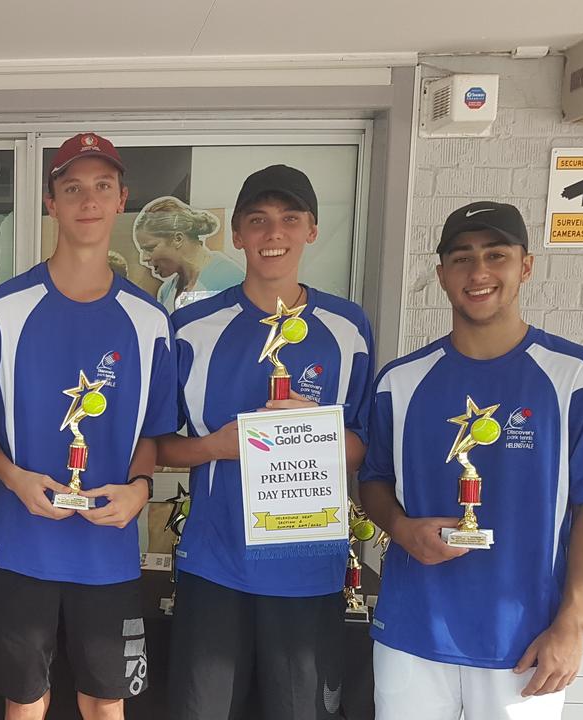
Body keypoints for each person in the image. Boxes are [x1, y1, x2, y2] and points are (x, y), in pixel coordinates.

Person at [359, 201, 583, 720]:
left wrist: (572, 624)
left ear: (525, 266)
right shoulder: (400, 381)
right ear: (441, 275)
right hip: (414, 631)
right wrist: (400, 527)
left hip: (524, 641)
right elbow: (373, 481)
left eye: (496, 255)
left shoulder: (579, 377)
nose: (479, 272)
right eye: (462, 258)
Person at [158, 165, 375, 720]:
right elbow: (156, 449)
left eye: (289, 219)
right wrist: (216, 446)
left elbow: (364, 450)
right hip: (216, 565)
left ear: (312, 230)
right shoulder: (193, 328)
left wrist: (312, 433)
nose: (273, 233)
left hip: (309, 569)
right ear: (236, 235)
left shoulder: (348, 328)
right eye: (258, 221)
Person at [0, 132, 178, 720]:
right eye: (72, 188)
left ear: (122, 200)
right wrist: (14, 480)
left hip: (107, 553)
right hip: (22, 548)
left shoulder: (150, 322)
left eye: (102, 187)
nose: (88, 200)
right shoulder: (1, 312)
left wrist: (140, 490)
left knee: (105, 704)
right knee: (25, 705)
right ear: (51, 203)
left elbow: (153, 433)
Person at [132, 196, 243, 312]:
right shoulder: (165, 291)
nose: (144, 258)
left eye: (150, 248)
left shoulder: (230, 278)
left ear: (178, 239)